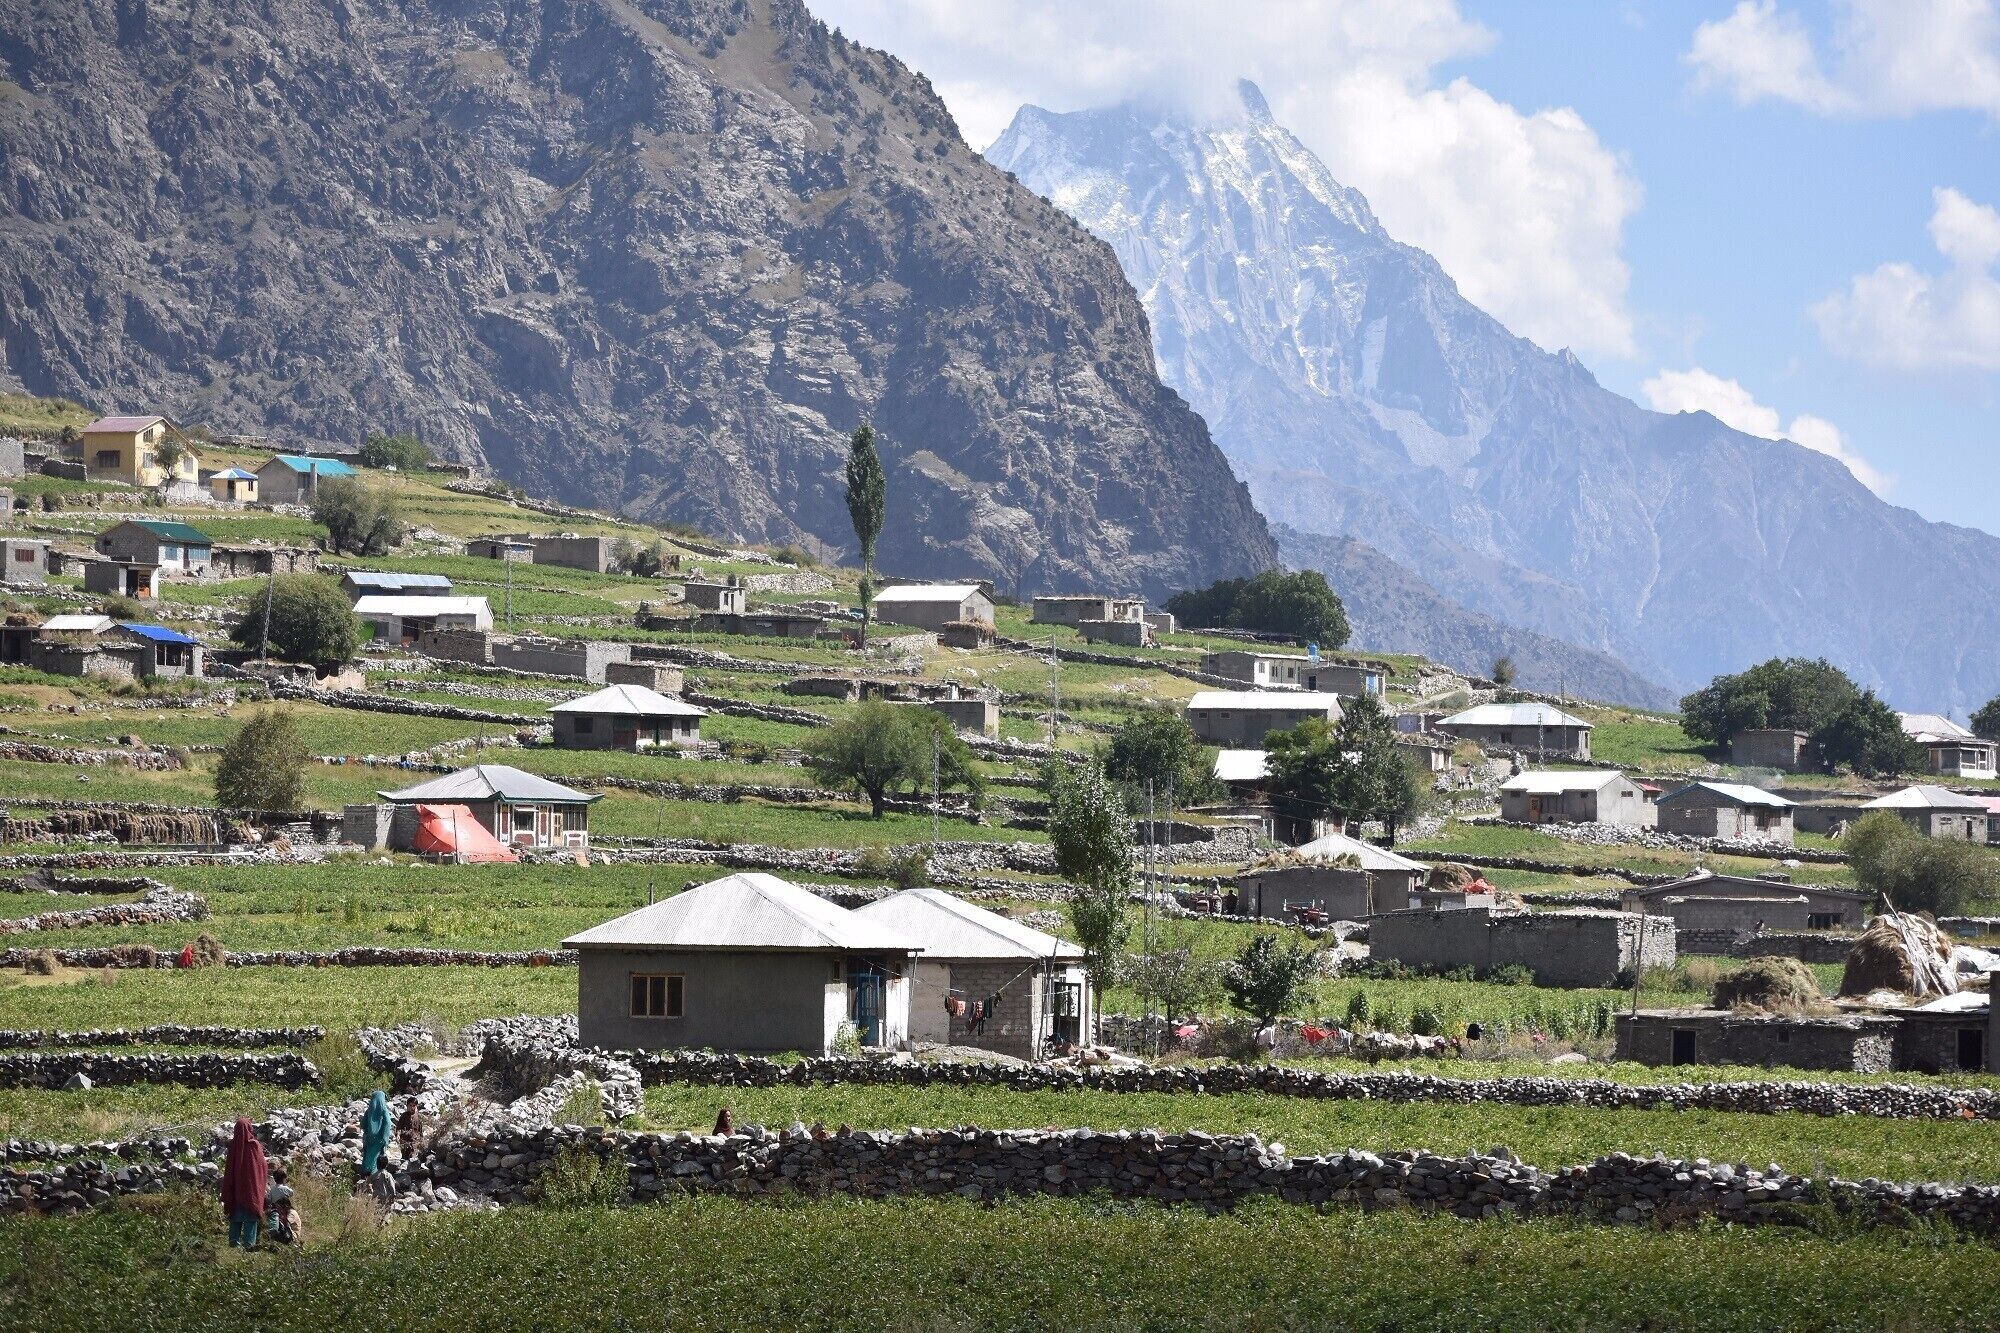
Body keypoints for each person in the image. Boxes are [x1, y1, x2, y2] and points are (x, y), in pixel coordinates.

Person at [220, 1118, 268, 1250]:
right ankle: (249, 1244)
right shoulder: (254, 1145)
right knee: (250, 1217)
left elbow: (229, 1169)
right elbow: (261, 1166)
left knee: (236, 1217)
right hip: (251, 1190)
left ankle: (233, 1243)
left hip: (236, 1189)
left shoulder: (233, 1146)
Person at [265, 1166, 300, 1245]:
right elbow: (292, 1193)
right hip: (285, 1207)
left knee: (277, 1222)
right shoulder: (285, 1188)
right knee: (286, 1223)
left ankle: (275, 1236)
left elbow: (269, 1199)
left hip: (275, 1208)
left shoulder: (272, 1189)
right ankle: (287, 1237)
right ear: (284, 1179)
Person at [360, 1090, 391, 1176]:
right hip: (379, 1140)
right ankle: (373, 1176)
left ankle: (365, 1174)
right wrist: (385, 1138)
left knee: (368, 1156)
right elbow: (388, 1124)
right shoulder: (383, 1110)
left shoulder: (369, 1110)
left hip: (369, 1139)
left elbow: (362, 1124)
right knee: (376, 1158)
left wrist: (368, 1132)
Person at [397, 1098, 424, 1163]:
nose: (412, 1108)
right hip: (404, 1140)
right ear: (407, 1106)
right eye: (410, 1105)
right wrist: (398, 1135)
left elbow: (420, 1130)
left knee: (412, 1157)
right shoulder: (403, 1116)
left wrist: (421, 1140)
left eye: (414, 1105)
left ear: (416, 1106)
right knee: (404, 1157)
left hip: (414, 1141)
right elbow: (399, 1127)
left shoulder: (418, 1116)